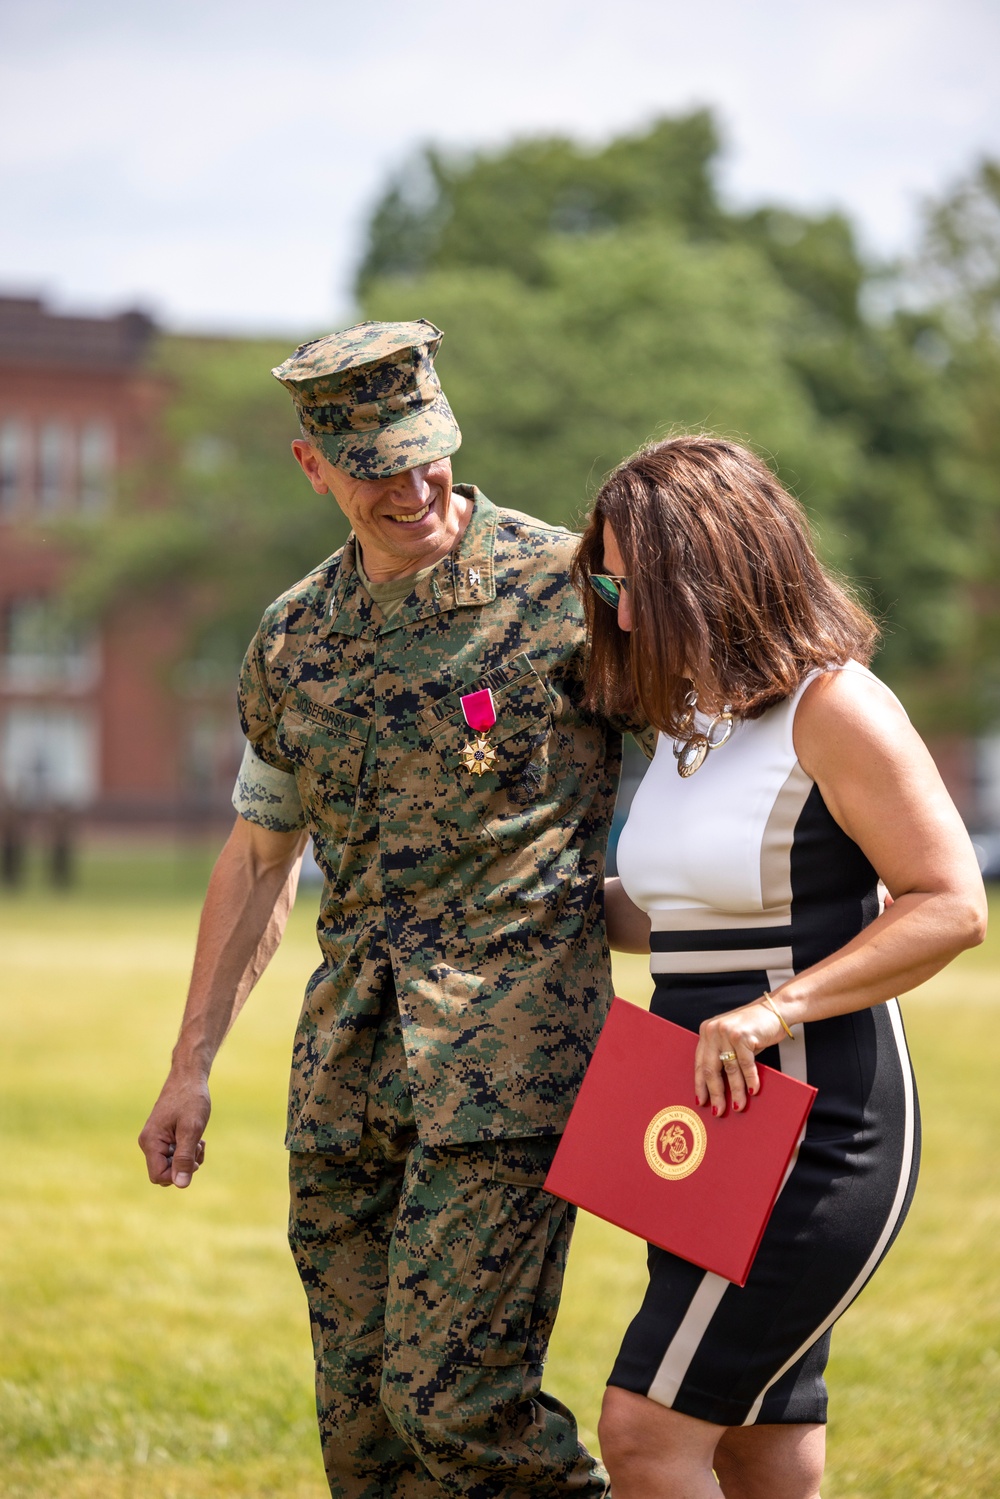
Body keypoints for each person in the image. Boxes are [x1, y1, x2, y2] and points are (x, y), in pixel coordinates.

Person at [138, 319, 626, 1498]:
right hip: (346, 1075)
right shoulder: (294, 638)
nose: (412, 488)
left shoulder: (568, 591)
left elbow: (718, 756)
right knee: (363, 1434)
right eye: (374, 466)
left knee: (457, 1405)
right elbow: (260, 856)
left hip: (513, 1068)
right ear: (314, 466)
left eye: (428, 453)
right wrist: (189, 1063)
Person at [571, 435, 987, 1499]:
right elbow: (669, 915)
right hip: (700, 1126)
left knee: (644, 1432)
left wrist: (773, 1010)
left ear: (707, 569)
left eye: (633, 583)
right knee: (759, 1442)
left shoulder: (834, 706)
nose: (616, 611)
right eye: (605, 581)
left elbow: (948, 904)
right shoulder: (683, 722)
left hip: (820, 1123)